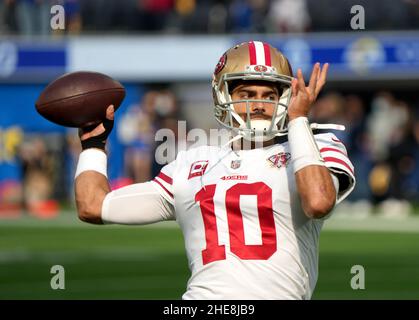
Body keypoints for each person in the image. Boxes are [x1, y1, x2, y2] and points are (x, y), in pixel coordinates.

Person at [74, 41, 355, 299]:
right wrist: (93, 145)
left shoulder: (315, 148)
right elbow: (94, 206)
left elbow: (318, 202)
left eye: (269, 95)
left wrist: (298, 121)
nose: (258, 105)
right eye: (246, 93)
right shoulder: (191, 164)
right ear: (223, 96)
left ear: (284, 100)